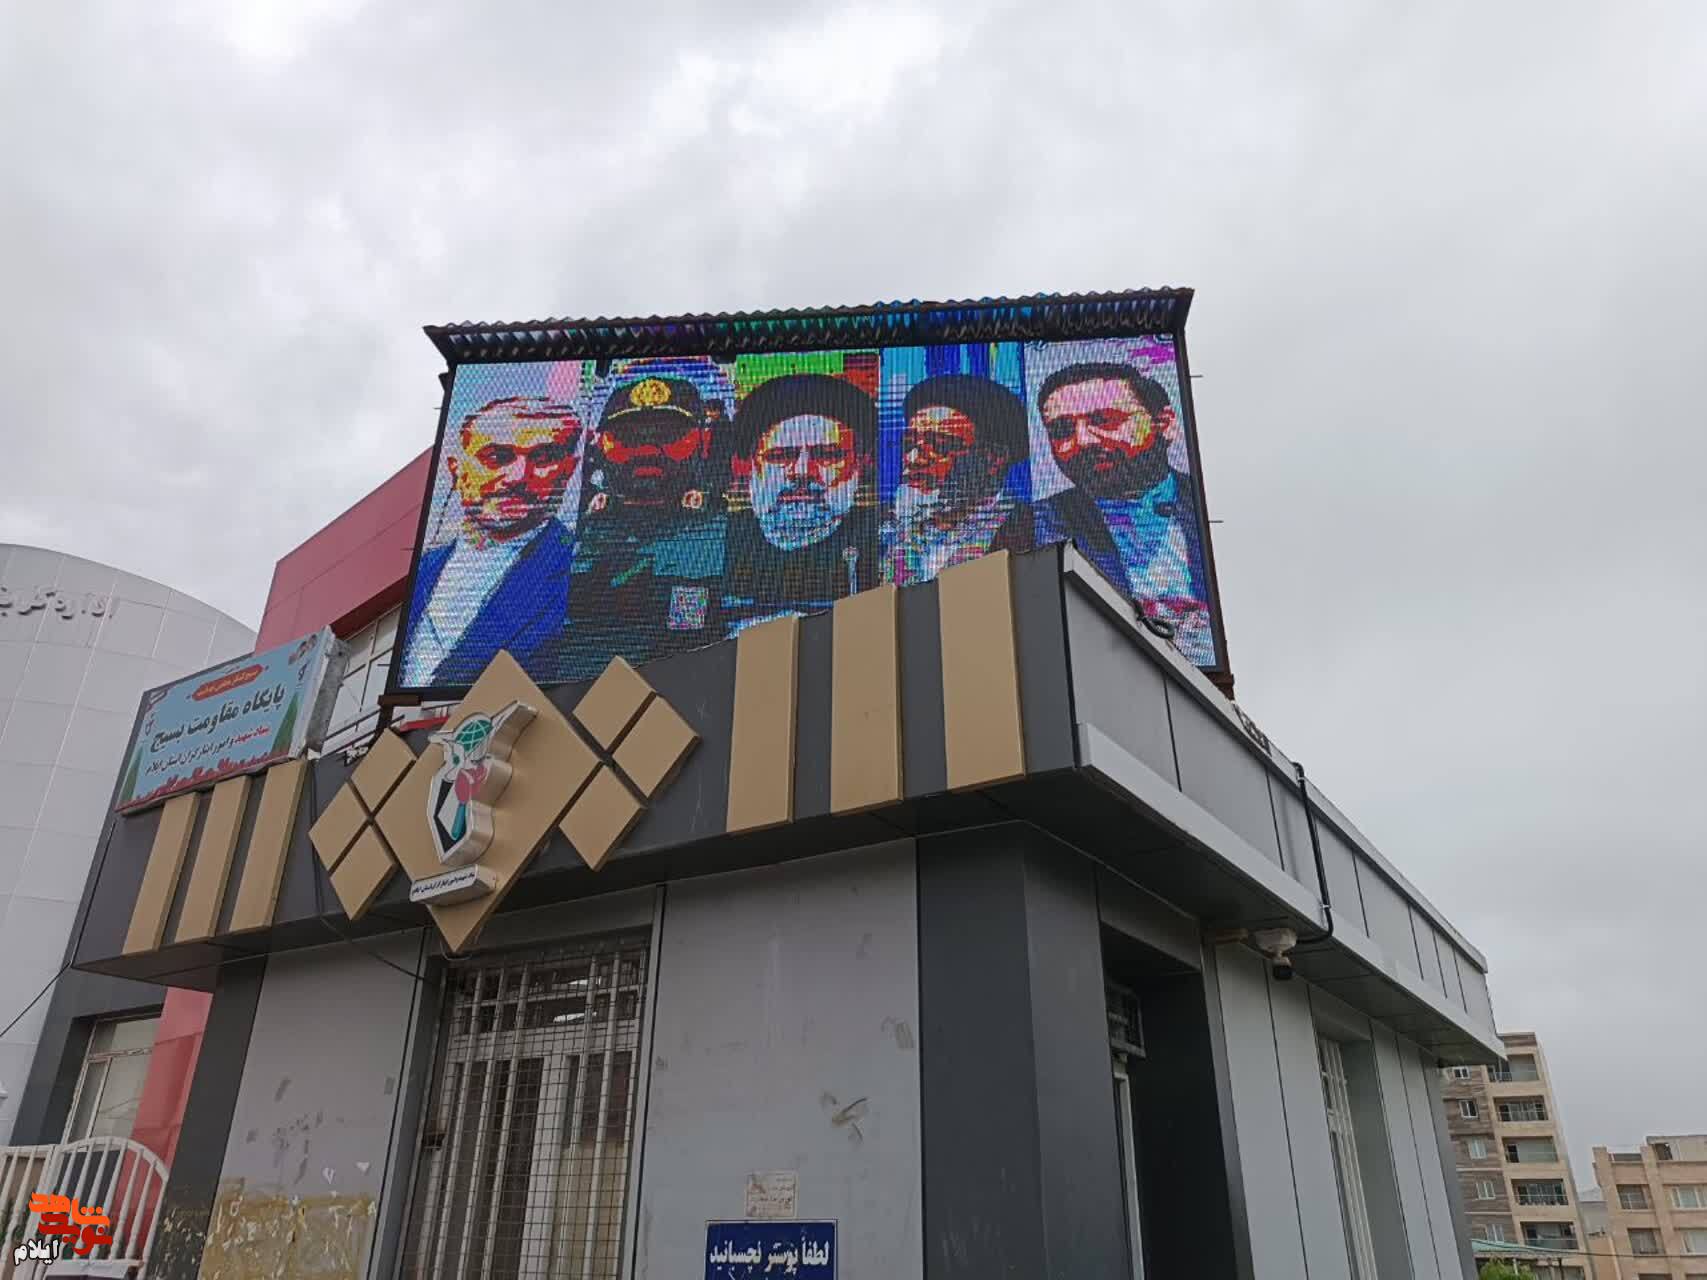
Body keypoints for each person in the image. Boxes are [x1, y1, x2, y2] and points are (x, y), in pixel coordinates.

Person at [1030, 361, 1215, 663]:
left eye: (1105, 420)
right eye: (1062, 430)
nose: (1083, 441)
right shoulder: (1036, 525)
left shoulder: (1203, 508)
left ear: (1164, 424)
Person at [555, 369, 729, 676]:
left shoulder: (722, 528)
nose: (648, 451)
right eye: (629, 438)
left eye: (668, 436)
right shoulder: (571, 532)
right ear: (600, 444)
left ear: (701, 441)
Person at [401, 396, 583, 688]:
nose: (517, 477)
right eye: (497, 457)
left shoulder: (583, 569)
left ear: (569, 470)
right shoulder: (425, 569)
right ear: (457, 470)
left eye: (543, 458)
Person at [721, 373, 879, 634]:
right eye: (780, 456)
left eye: (827, 455)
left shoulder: (879, 541)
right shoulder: (718, 542)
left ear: (861, 463)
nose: (802, 471)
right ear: (748, 467)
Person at [886, 374, 1034, 585]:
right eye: (909, 444)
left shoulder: (1030, 531)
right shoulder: (887, 534)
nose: (913, 459)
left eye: (939, 445)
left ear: (994, 458)